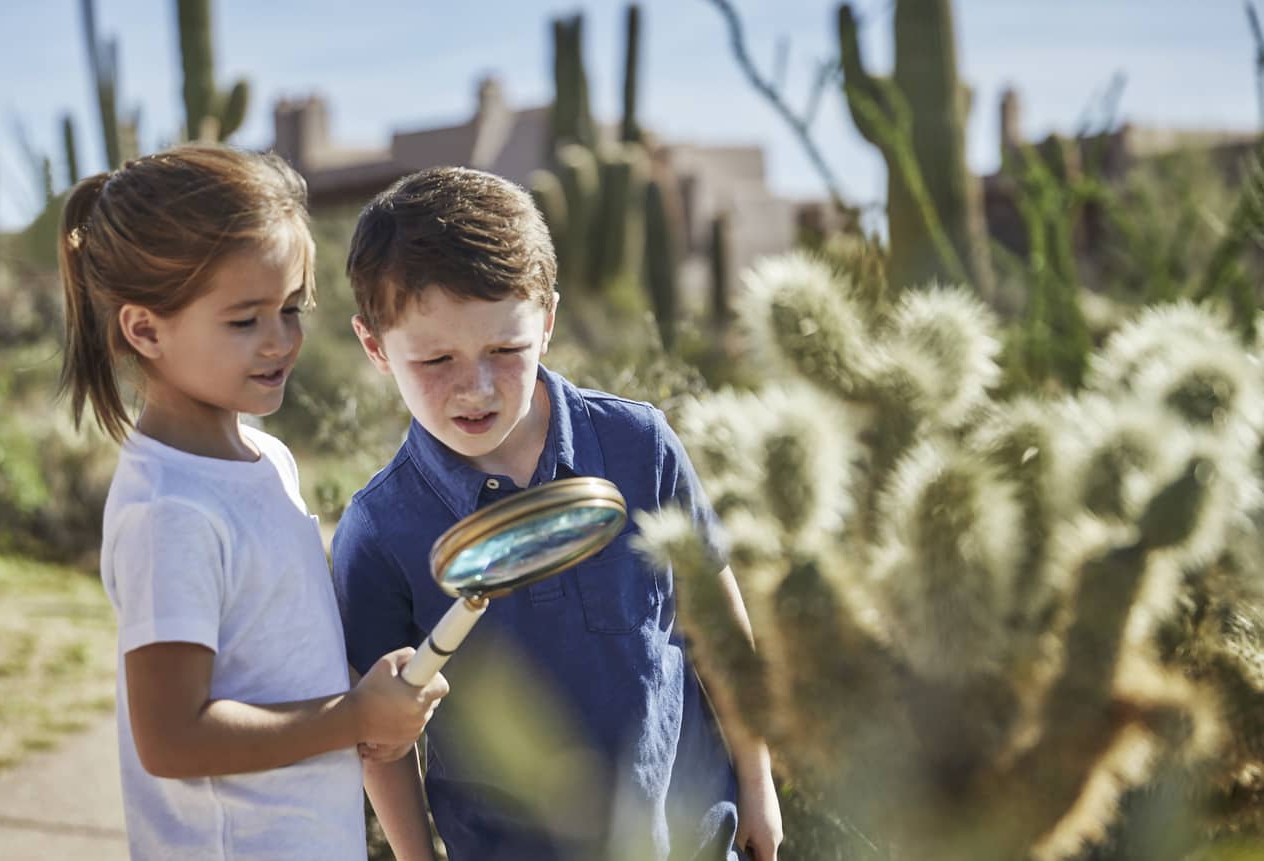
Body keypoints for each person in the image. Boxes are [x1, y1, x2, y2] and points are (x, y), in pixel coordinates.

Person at [331, 166, 783, 861]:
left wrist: (758, 781)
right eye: (436, 359)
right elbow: (383, 740)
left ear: (546, 322)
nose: (475, 388)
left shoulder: (637, 446)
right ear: (375, 348)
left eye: (504, 350)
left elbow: (713, 612)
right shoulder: (381, 529)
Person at [57, 144, 449, 861]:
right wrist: (354, 714)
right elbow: (173, 737)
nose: (281, 341)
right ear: (144, 329)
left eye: (291, 308)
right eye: (244, 320)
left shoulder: (266, 456)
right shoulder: (169, 509)